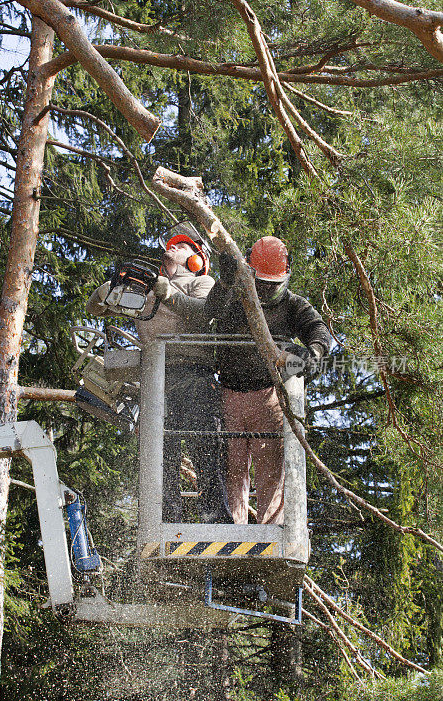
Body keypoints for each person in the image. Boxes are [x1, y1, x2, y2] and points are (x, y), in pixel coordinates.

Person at [86, 222, 232, 524]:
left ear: (196, 258)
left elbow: (202, 312)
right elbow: (95, 308)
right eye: (171, 243)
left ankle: (214, 515)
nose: (173, 247)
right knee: (160, 452)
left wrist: (166, 290)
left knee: (205, 445)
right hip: (155, 379)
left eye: (182, 245)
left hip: (194, 375)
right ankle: (167, 517)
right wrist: (115, 284)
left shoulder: (200, 283)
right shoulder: (146, 291)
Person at [205, 236, 332, 524]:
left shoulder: (292, 305)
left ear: (285, 277)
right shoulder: (233, 295)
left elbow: (318, 329)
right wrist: (224, 282)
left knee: (272, 466)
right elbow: (209, 313)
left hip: (269, 394)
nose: (265, 288)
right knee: (231, 466)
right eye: (260, 281)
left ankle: (271, 531)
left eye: (271, 283)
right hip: (228, 391)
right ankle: (231, 530)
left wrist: (313, 352)